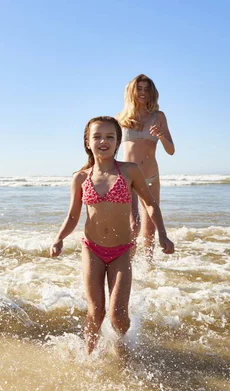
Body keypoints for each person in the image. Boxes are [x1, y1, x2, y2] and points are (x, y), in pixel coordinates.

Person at [50, 116, 174, 355]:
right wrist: (59, 238)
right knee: (96, 311)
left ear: (118, 142)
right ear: (88, 141)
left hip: (121, 251)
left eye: (110, 137)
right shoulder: (80, 177)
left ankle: (121, 349)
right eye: (97, 136)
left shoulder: (129, 171)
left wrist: (162, 234)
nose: (103, 141)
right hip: (92, 249)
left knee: (118, 315)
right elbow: (73, 216)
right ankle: (89, 356)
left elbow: (150, 204)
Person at [117, 74, 175, 261]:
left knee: (150, 227)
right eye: (139, 88)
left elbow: (171, 150)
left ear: (152, 93)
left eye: (146, 89)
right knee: (133, 224)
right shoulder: (121, 118)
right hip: (128, 177)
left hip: (151, 175)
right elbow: (108, 149)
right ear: (132, 91)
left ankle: (148, 266)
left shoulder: (158, 117)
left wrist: (161, 136)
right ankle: (127, 265)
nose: (143, 93)